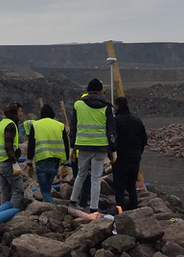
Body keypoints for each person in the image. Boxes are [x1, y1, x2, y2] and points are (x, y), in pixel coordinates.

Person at [68, 79, 116, 211]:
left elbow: (73, 128)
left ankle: (72, 202)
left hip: (82, 145)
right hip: (100, 147)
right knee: (95, 178)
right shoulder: (107, 107)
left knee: (81, 174)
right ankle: (93, 208)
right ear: (100, 91)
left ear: (87, 91)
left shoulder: (78, 105)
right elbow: (111, 130)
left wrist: (72, 147)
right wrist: (113, 150)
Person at [26, 104, 69, 204]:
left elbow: (31, 144)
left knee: (44, 190)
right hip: (55, 162)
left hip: (41, 161)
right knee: (48, 188)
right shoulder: (60, 125)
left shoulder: (36, 125)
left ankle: (53, 207)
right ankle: (49, 210)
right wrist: (66, 164)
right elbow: (66, 145)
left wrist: (29, 163)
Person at [112, 97, 148, 211]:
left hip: (120, 158)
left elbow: (111, 139)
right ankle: (134, 207)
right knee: (131, 185)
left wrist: (111, 154)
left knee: (119, 186)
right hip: (135, 158)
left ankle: (120, 209)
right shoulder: (137, 120)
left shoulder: (115, 121)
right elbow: (144, 139)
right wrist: (139, 152)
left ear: (117, 106)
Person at [0, 102, 25, 209]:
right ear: (14, 112)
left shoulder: (1, 123)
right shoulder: (10, 125)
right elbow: (8, 145)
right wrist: (14, 163)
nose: (21, 114)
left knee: (5, 192)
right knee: (18, 190)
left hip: (0, 163)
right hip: (8, 164)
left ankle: (1, 216)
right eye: (20, 111)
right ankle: (10, 214)